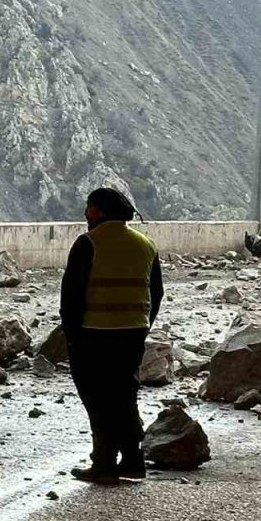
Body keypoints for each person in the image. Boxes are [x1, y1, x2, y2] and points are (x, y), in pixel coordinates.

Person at [61, 188, 163, 483]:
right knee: (124, 395)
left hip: (93, 334)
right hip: (132, 333)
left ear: (100, 211)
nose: (85, 213)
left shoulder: (88, 243)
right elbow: (156, 293)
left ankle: (103, 463)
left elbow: (71, 296)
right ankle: (133, 460)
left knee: (97, 399)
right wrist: (142, 324)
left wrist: (71, 336)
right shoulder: (146, 245)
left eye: (89, 208)